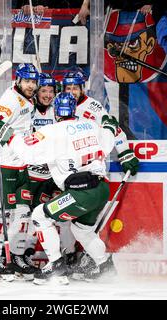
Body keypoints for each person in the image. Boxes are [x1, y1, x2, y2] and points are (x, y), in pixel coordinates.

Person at [0, 92, 123, 285]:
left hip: (80, 192)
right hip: (101, 189)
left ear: (56, 111)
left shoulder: (52, 131)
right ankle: (106, 266)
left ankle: (56, 266)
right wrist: (109, 124)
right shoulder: (92, 126)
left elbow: (28, 153)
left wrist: (5, 134)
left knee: (39, 216)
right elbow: (108, 140)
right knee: (82, 231)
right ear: (74, 109)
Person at [61, 70, 138, 279]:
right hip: (68, 174)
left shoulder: (93, 107)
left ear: (82, 88)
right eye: (68, 88)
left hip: (90, 175)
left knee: (75, 223)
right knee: (68, 224)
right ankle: (72, 258)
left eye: (75, 88)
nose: (71, 92)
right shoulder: (57, 105)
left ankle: (89, 261)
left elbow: (114, 129)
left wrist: (125, 153)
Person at [0, 63, 39, 282]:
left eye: (33, 81)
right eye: (27, 81)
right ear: (18, 81)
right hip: (1, 166)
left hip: (20, 165)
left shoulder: (28, 101)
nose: (31, 85)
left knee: (23, 213)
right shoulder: (11, 99)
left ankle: (16, 258)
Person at [24, 72, 78, 269]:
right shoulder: (28, 110)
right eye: (43, 90)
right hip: (32, 175)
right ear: (36, 92)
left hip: (56, 176)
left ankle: (69, 255)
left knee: (62, 218)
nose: (47, 95)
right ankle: (26, 254)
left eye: (51, 91)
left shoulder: (61, 112)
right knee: (31, 217)